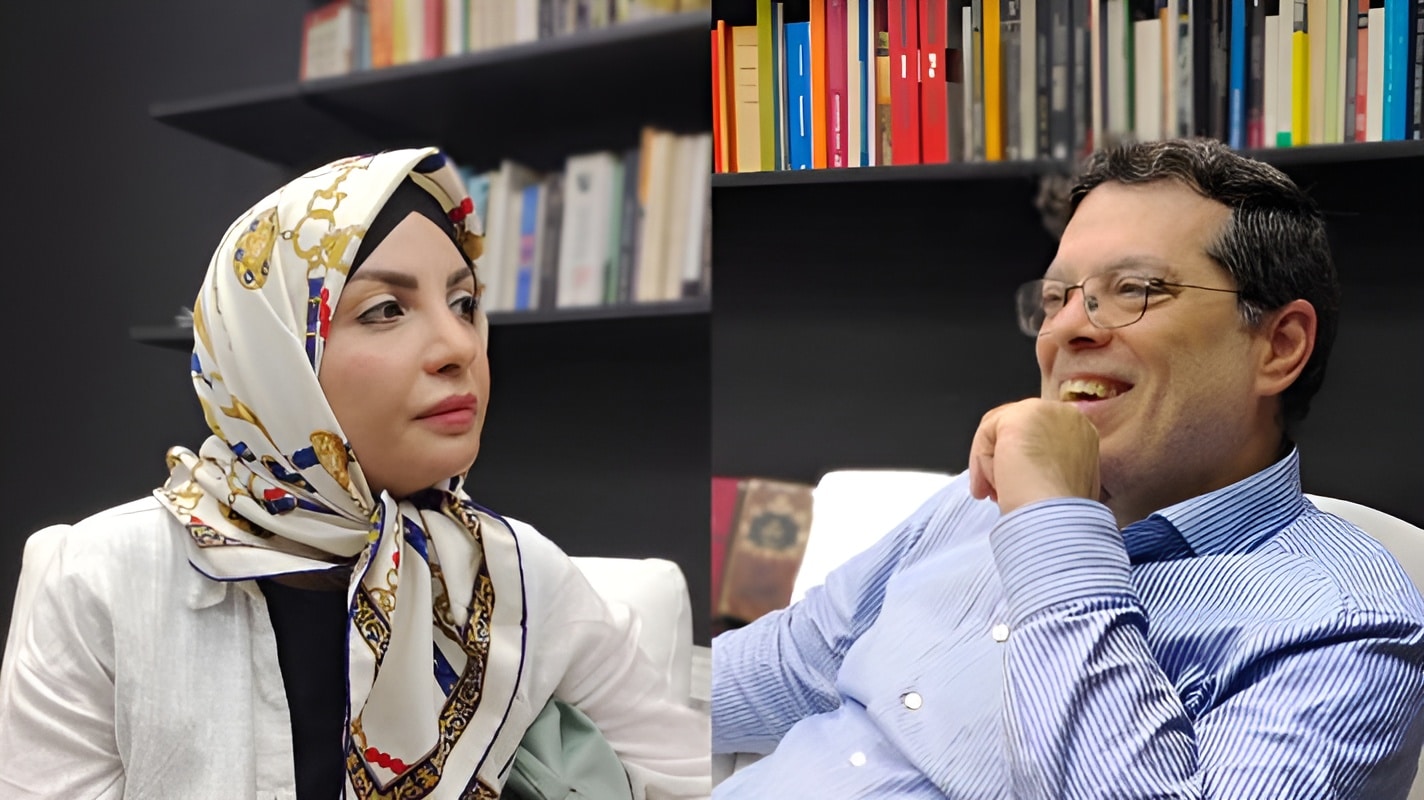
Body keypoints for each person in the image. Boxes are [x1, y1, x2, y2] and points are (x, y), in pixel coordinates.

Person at [710, 138, 1424, 798]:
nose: (1068, 329)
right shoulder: (975, 501)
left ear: (1279, 346)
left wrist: (1053, 525)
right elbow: (792, 664)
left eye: (1137, 288)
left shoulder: (1347, 626)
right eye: (1057, 298)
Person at [0, 148, 710, 799]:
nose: (459, 345)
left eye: (464, 304)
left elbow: (689, 779)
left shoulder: (520, 574)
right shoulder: (104, 578)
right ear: (275, 356)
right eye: (386, 309)